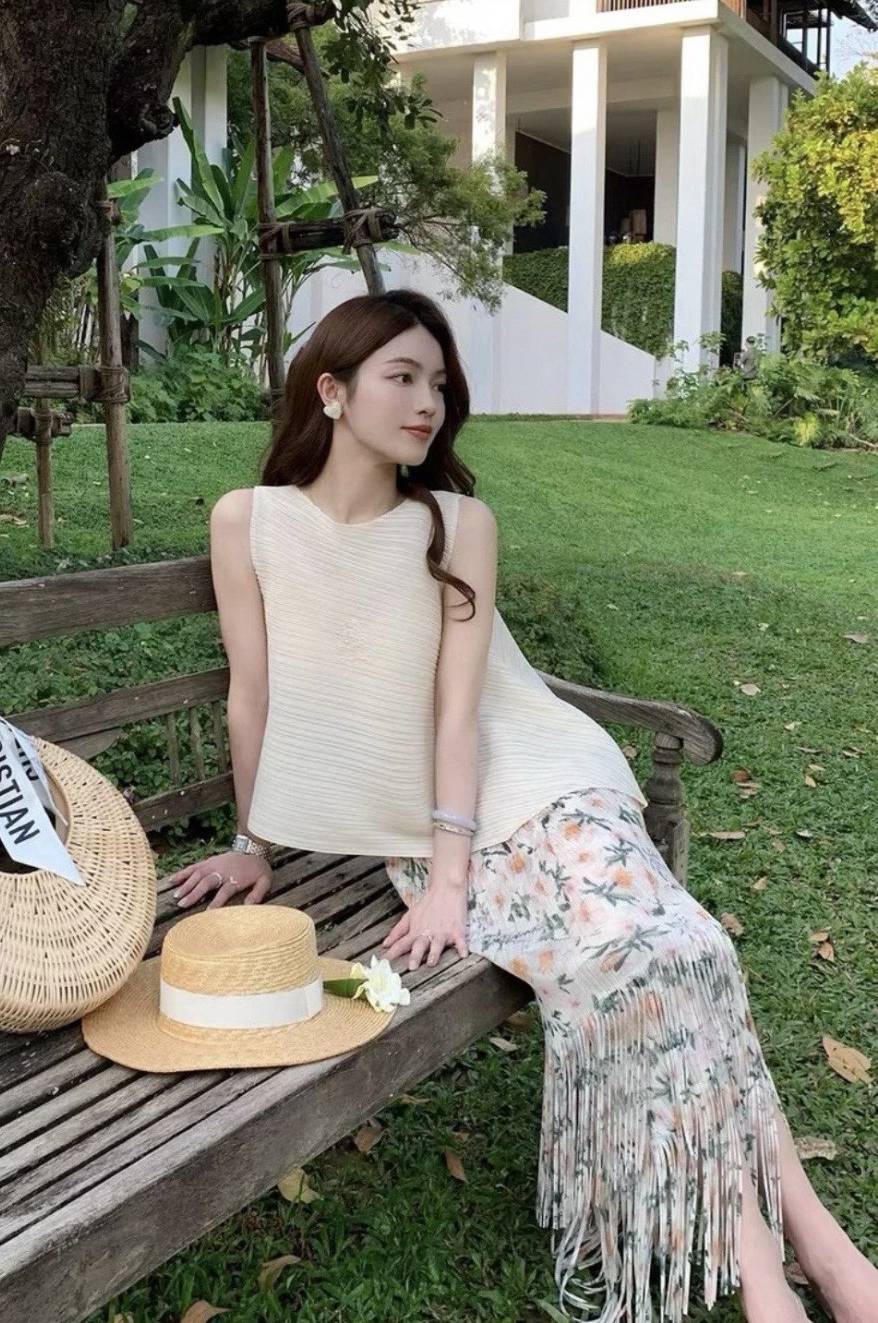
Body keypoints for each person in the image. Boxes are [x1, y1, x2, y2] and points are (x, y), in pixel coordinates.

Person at [167, 288, 877, 1323]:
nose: (428, 402)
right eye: (402, 378)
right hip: (416, 818)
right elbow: (253, 693)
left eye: (438, 383)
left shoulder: (458, 523)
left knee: (674, 948)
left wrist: (449, 878)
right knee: (643, 961)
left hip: (539, 778)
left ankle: (785, 1270)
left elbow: (460, 710)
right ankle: (806, 1255)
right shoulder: (249, 520)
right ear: (332, 391)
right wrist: (252, 841)